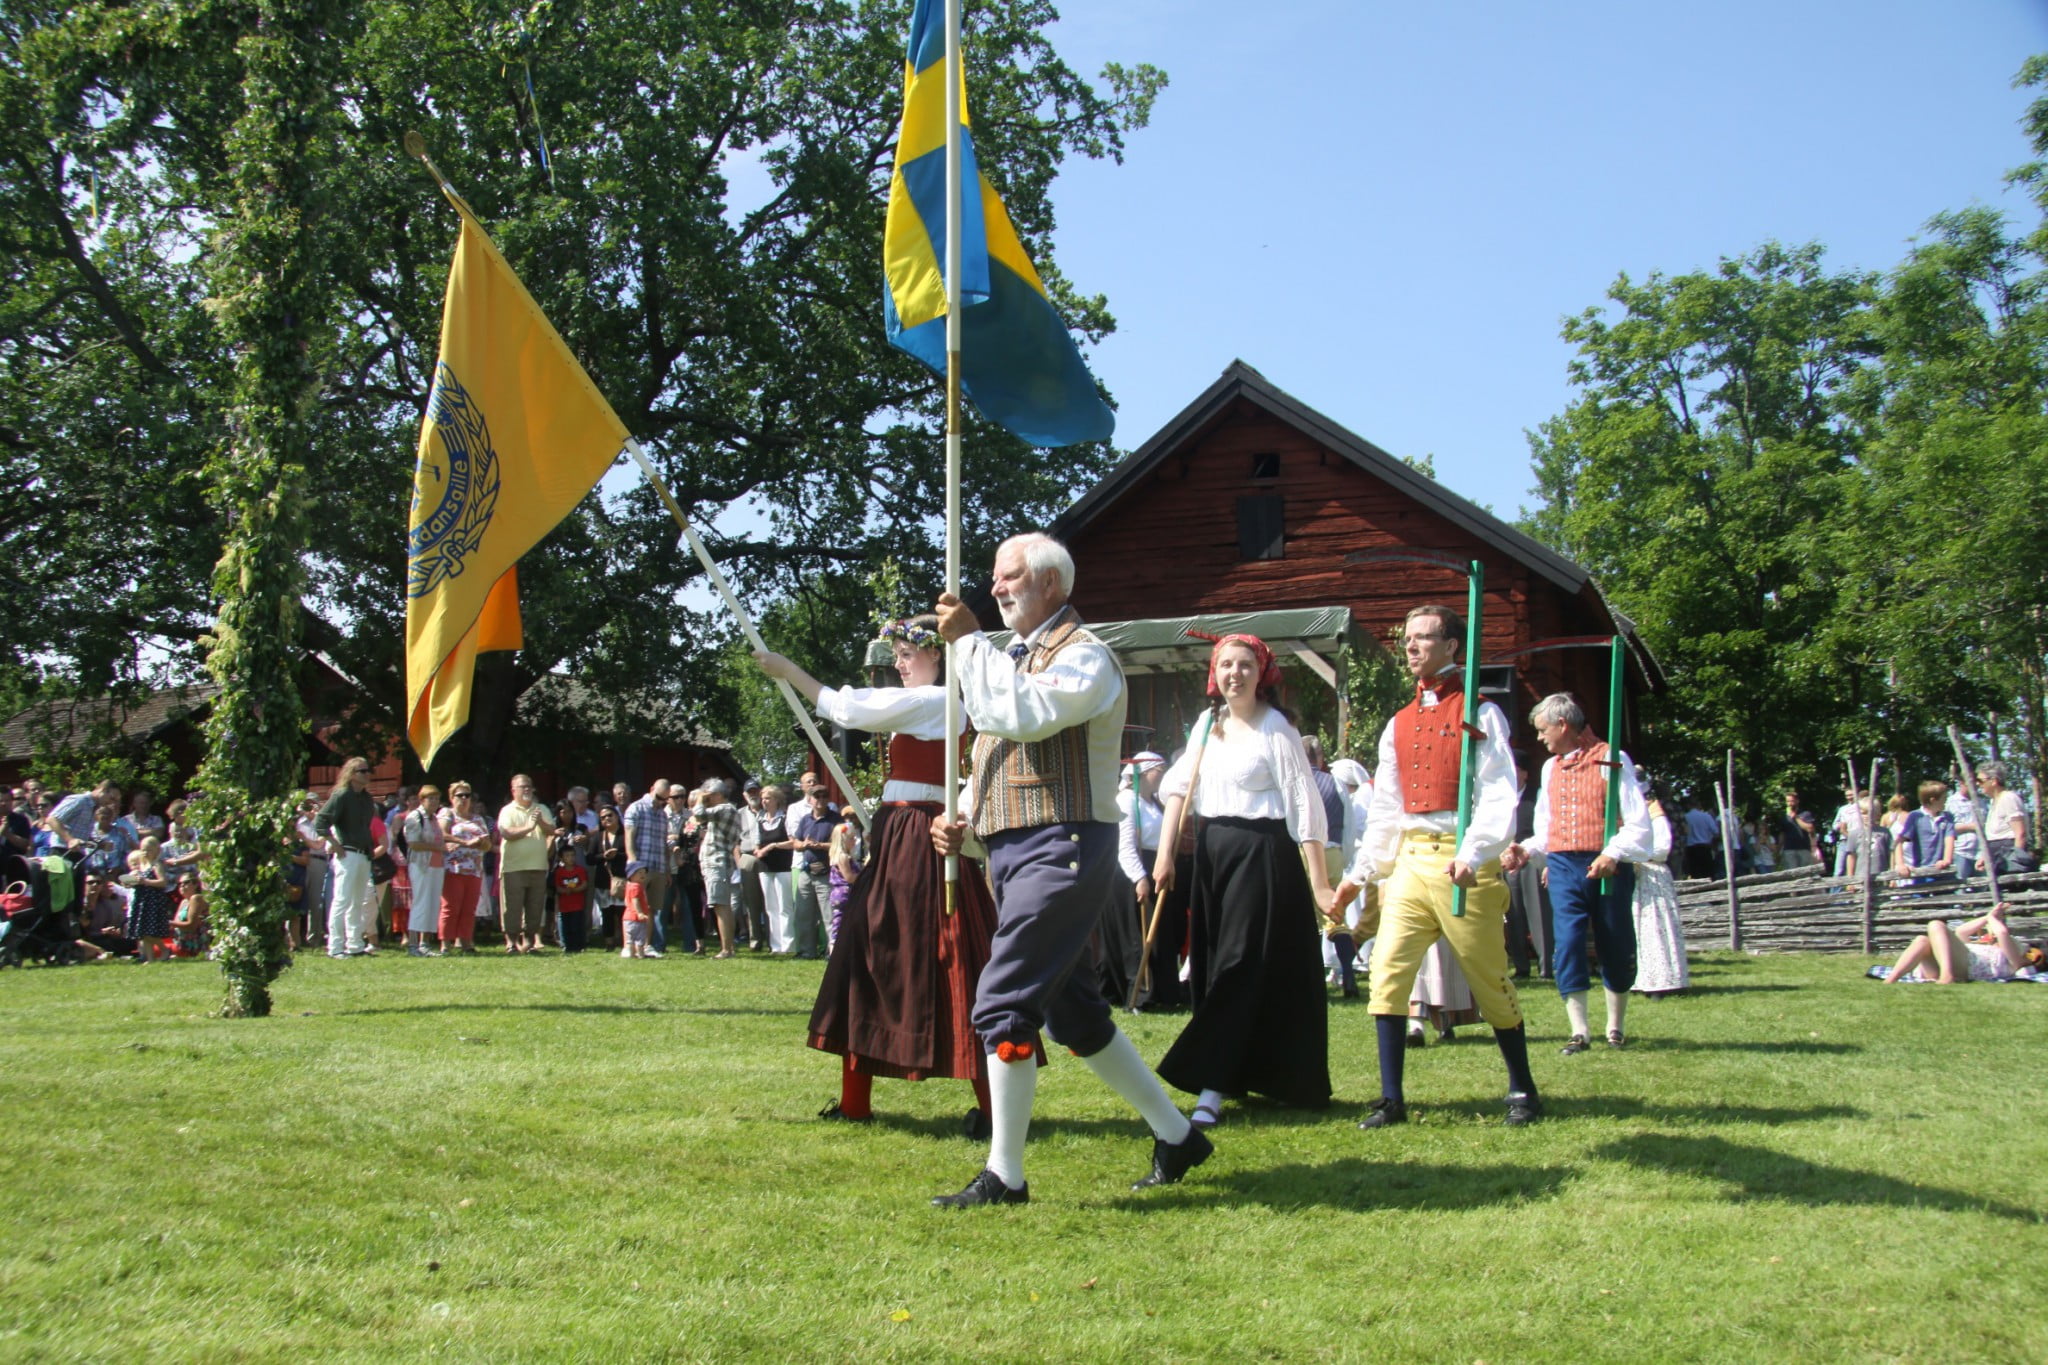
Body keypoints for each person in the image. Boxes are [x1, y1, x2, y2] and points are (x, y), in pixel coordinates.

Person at [929, 532, 1212, 1206]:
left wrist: (968, 642)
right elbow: (999, 753)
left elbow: (1018, 713)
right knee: (1077, 1017)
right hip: (1020, 853)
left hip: (1065, 848)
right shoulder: (1011, 659)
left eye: (1010, 576)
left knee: (1004, 1002)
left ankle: (1006, 1174)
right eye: (995, 579)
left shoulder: (1087, 658)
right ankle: (1178, 1136)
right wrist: (964, 824)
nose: (996, 588)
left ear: (1052, 583)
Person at [755, 617, 998, 1133]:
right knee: (871, 953)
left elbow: (846, 708)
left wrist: (789, 670)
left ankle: (991, 1108)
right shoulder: (933, 704)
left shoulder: (936, 700)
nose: (900, 663)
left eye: (909, 653)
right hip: (900, 830)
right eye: (898, 654)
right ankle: (855, 1103)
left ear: (939, 656)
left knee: (910, 953)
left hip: (916, 836)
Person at [1334, 603, 1543, 1130]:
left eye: (1423, 638)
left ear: (1452, 646)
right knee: (1387, 973)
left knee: (1489, 978)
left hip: (1461, 861)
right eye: (1407, 638)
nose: (1410, 647)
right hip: (1409, 861)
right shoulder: (1398, 724)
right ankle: (1390, 1099)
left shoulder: (1481, 713)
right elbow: (1387, 809)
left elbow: (1498, 793)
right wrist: (1361, 874)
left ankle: (1522, 1087)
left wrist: (1474, 854)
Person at [1152, 633, 1334, 1127]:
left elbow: (1304, 807)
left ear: (1263, 673)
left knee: (1241, 964)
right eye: (1226, 665)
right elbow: (1176, 790)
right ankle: (1236, 1072)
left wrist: (1320, 884)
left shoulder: (1276, 728)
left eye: (1245, 665)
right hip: (1212, 857)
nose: (1235, 673)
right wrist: (1164, 855)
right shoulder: (1207, 725)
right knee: (1214, 965)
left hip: (1263, 856)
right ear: (1215, 674)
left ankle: (1209, 1084)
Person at [1502, 693, 1655, 1053]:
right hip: (1563, 865)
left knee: (1613, 939)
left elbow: (1638, 823)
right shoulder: (1550, 768)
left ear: (1562, 725)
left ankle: (1615, 1026)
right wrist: (1527, 849)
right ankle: (1579, 1030)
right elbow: (1547, 826)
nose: (1540, 738)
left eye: (1543, 731)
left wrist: (1612, 853)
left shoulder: (1612, 759)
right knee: (1567, 942)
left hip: (1606, 864)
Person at [1113, 752, 1174, 1009]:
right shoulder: (1127, 801)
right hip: (1133, 871)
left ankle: (1162, 991)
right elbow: (1125, 845)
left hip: (1153, 866)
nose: (1162, 775)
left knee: (1158, 932)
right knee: (1139, 936)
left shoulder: (1153, 802)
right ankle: (1139, 993)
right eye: (1160, 770)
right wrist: (1140, 877)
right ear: (1146, 773)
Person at [312, 757, 380, 958]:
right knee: (342, 899)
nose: (367, 774)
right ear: (351, 774)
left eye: (368, 771)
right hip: (347, 853)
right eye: (362, 771)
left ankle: (356, 944)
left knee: (358, 901)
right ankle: (335, 947)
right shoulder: (341, 795)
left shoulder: (366, 799)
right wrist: (334, 844)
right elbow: (321, 821)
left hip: (363, 853)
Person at [1629, 770, 1689, 995]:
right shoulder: (1630, 812)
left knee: (1656, 927)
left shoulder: (1653, 810)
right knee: (1637, 928)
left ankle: (1664, 980)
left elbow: (1663, 846)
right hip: (1636, 875)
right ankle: (1641, 980)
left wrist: (1633, 854)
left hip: (1652, 875)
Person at [1880, 902, 2032, 983]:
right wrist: (1987, 917)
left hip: (1966, 968)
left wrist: (1993, 920)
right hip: (1942, 968)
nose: (1989, 937)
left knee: (1936, 925)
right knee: (1922, 940)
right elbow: (1962, 931)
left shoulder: (2012, 959)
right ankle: (1891, 979)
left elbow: (2002, 933)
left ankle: (1947, 976)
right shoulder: (1975, 946)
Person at [493, 774, 555, 955]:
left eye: (529, 786)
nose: (527, 789)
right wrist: (529, 827)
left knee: (535, 906)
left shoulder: (541, 808)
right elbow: (507, 833)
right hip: (514, 867)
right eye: (522, 787)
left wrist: (540, 823)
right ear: (513, 791)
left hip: (538, 866)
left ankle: (529, 943)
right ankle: (511, 943)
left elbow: (552, 831)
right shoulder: (507, 811)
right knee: (512, 906)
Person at [437, 782, 494, 954]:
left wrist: (481, 843)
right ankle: (445, 944)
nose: (463, 799)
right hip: (453, 868)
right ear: (451, 797)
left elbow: (488, 845)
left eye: (467, 795)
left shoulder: (477, 819)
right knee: (450, 907)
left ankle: (466, 943)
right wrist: (465, 842)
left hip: (474, 869)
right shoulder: (447, 814)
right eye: (459, 795)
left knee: (469, 908)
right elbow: (442, 834)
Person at [692, 779, 745, 957]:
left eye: (709, 795)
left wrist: (700, 798)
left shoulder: (725, 808)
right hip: (719, 862)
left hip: (717, 862)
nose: (706, 798)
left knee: (720, 905)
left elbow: (698, 814)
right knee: (723, 906)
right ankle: (729, 948)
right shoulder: (727, 810)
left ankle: (726, 949)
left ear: (718, 795)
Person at [788, 785, 842, 959]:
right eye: (816, 796)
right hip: (806, 871)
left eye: (824, 795)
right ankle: (806, 951)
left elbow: (841, 844)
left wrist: (820, 846)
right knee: (803, 915)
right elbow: (795, 842)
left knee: (829, 916)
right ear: (810, 799)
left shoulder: (835, 820)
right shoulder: (805, 820)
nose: (820, 799)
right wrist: (802, 845)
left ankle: (832, 952)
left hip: (826, 872)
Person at [402, 787, 447, 955]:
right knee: (420, 903)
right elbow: (413, 843)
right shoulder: (415, 817)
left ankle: (425, 944)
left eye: (436, 798)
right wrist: (437, 847)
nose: (434, 802)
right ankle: (413, 944)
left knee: (433, 904)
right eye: (430, 798)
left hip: (436, 865)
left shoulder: (434, 818)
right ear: (422, 800)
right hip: (421, 865)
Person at [754, 785, 796, 952]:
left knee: (784, 907)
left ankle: (789, 944)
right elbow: (757, 844)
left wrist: (773, 845)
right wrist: (759, 850)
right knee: (771, 907)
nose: (764, 801)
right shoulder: (760, 819)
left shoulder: (784, 818)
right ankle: (776, 945)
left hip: (783, 867)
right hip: (765, 868)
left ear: (776, 800)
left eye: (768, 798)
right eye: (763, 798)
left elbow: (793, 841)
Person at [121, 838, 175, 962]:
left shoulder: (157, 865)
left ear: (157, 850)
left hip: (153, 901)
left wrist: (145, 881)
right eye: (143, 850)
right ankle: (150, 959)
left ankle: (165, 949)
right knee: (142, 932)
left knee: (150, 932)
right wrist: (130, 881)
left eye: (149, 850)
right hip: (142, 900)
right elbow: (136, 881)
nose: (145, 853)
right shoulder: (142, 865)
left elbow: (163, 882)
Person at [1894, 781, 1957, 885]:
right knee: (1920, 899)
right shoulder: (1915, 817)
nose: (1946, 802)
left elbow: (1949, 839)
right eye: (1944, 799)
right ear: (1933, 800)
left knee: (1946, 898)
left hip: (1943, 871)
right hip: (1921, 871)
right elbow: (1899, 841)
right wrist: (1900, 864)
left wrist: (1946, 860)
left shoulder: (1947, 817)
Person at [1976, 762, 2032, 874]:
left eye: (1980, 781)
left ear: (1993, 781)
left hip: (2008, 851)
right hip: (1996, 853)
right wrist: (1984, 857)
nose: (1978, 784)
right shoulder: (1993, 802)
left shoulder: (2009, 798)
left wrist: (2016, 861)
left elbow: (2020, 833)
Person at [735, 780, 767, 950]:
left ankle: (773, 940)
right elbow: (735, 842)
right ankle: (755, 940)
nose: (753, 794)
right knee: (751, 903)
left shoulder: (770, 811)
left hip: (768, 858)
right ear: (744, 795)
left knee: (769, 901)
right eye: (750, 792)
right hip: (746, 858)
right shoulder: (739, 814)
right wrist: (738, 861)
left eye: (755, 791)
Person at [1776, 789, 1820, 870]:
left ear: (1797, 801)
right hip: (1789, 850)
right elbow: (1782, 834)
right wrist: (1778, 850)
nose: (1790, 804)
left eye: (1792, 801)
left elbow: (1810, 829)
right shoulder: (1784, 817)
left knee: (1805, 873)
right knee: (1792, 874)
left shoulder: (1805, 814)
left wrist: (1796, 817)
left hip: (1804, 849)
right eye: (1788, 801)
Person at [1679, 795, 1719, 880]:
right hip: (1705, 847)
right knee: (1708, 873)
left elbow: (1683, 834)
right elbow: (1716, 832)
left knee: (1696, 874)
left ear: (1688, 805)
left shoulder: (1686, 817)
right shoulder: (1706, 816)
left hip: (1691, 849)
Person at [620, 862, 654, 958]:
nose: (643, 875)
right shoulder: (637, 886)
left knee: (630, 939)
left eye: (644, 873)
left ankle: (631, 954)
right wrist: (640, 912)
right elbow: (635, 900)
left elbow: (627, 901)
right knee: (640, 937)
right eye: (640, 873)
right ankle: (641, 954)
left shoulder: (629, 885)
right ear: (631, 875)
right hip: (636, 918)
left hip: (627, 917)